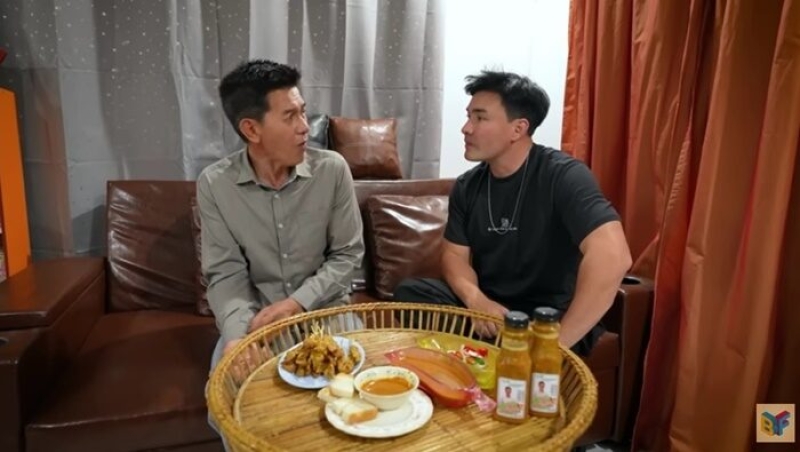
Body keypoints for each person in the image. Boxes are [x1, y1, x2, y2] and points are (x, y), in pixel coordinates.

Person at [394, 70, 632, 356]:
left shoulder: (564, 176)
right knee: (412, 292)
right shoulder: (468, 186)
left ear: (518, 129)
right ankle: (502, 353)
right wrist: (476, 300)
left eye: (480, 118)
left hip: (546, 317)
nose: (466, 128)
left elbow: (613, 257)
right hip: (491, 312)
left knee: (545, 332)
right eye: (469, 116)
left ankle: (501, 353)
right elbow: (454, 256)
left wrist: (552, 346)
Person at [198, 59, 364, 373]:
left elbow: (348, 255)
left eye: (302, 111)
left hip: (326, 310)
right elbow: (225, 273)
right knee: (231, 389)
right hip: (259, 321)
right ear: (251, 129)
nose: (305, 126)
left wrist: (297, 303)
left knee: (351, 386)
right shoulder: (215, 184)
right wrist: (236, 337)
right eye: (290, 116)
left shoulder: (332, 170)